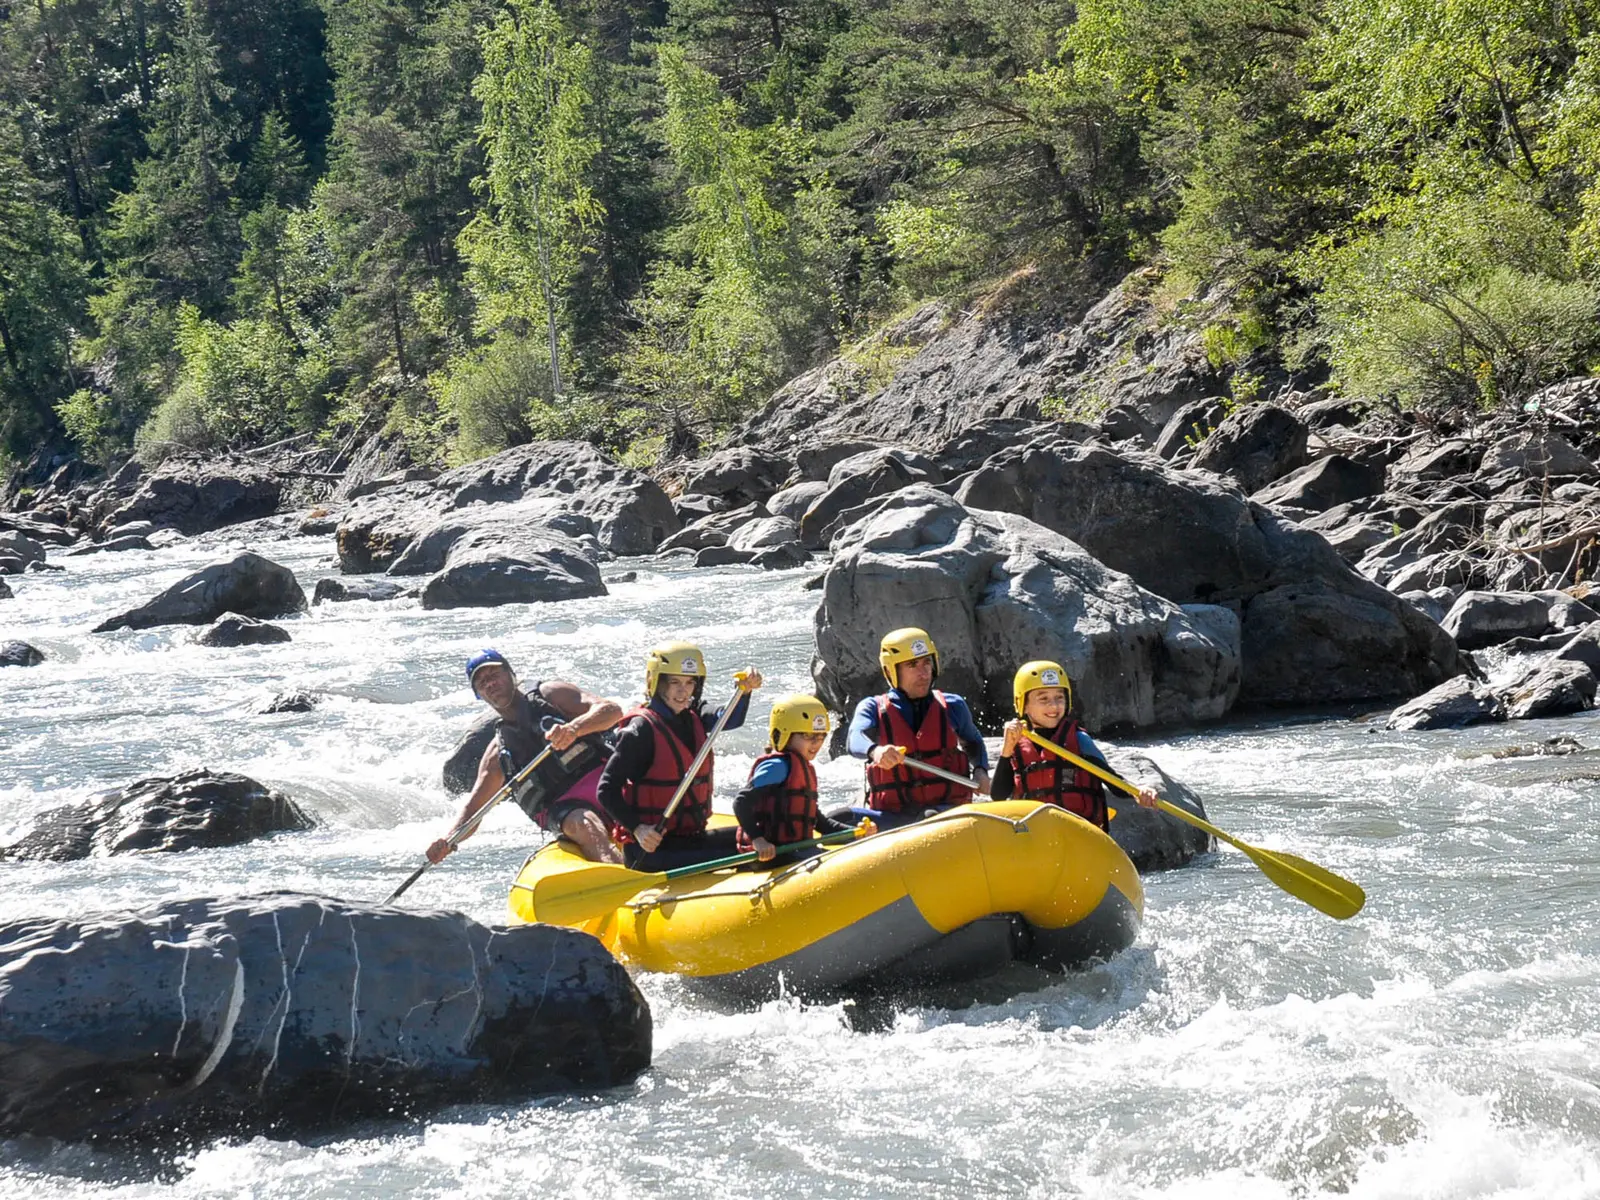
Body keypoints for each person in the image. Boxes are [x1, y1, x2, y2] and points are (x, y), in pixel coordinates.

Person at [427, 649, 624, 866]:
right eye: (482, 682)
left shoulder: (552, 694)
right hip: (567, 809)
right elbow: (473, 811)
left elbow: (612, 711)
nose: (490, 684)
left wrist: (574, 729)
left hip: (606, 782)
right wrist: (448, 840)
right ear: (478, 694)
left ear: (511, 675)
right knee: (585, 824)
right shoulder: (497, 756)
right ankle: (626, 880)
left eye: (494, 675)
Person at [597, 640, 762, 871]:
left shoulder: (694, 713)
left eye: (689, 683)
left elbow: (730, 718)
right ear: (657, 683)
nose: (682, 691)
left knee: (761, 836)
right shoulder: (640, 730)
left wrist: (744, 693)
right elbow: (606, 789)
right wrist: (638, 828)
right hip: (651, 851)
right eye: (674, 682)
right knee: (751, 851)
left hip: (689, 838)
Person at [846, 627, 990, 830]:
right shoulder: (872, 708)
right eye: (912, 665)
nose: (924, 673)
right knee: (841, 816)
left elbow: (973, 742)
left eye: (927, 663)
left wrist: (980, 770)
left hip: (946, 811)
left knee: (928, 817)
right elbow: (854, 739)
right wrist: (875, 751)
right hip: (893, 817)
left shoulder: (953, 705)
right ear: (891, 670)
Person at [991, 660, 1158, 828]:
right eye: (1043, 699)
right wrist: (1007, 750)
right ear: (1023, 705)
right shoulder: (1016, 744)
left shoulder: (1079, 739)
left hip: (1078, 831)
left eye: (1059, 698)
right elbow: (997, 795)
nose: (1054, 705)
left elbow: (1114, 782)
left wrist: (1138, 792)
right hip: (1036, 834)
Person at [734, 694, 864, 865]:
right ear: (784, 735)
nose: (816, 743)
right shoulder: (777, 766)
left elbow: (821, 824)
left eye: (821, 736)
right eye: (809, 736)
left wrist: (857, 833)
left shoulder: (805, 769)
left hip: (796, 850)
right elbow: (741, 802)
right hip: (772, 854)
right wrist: (758, 839)